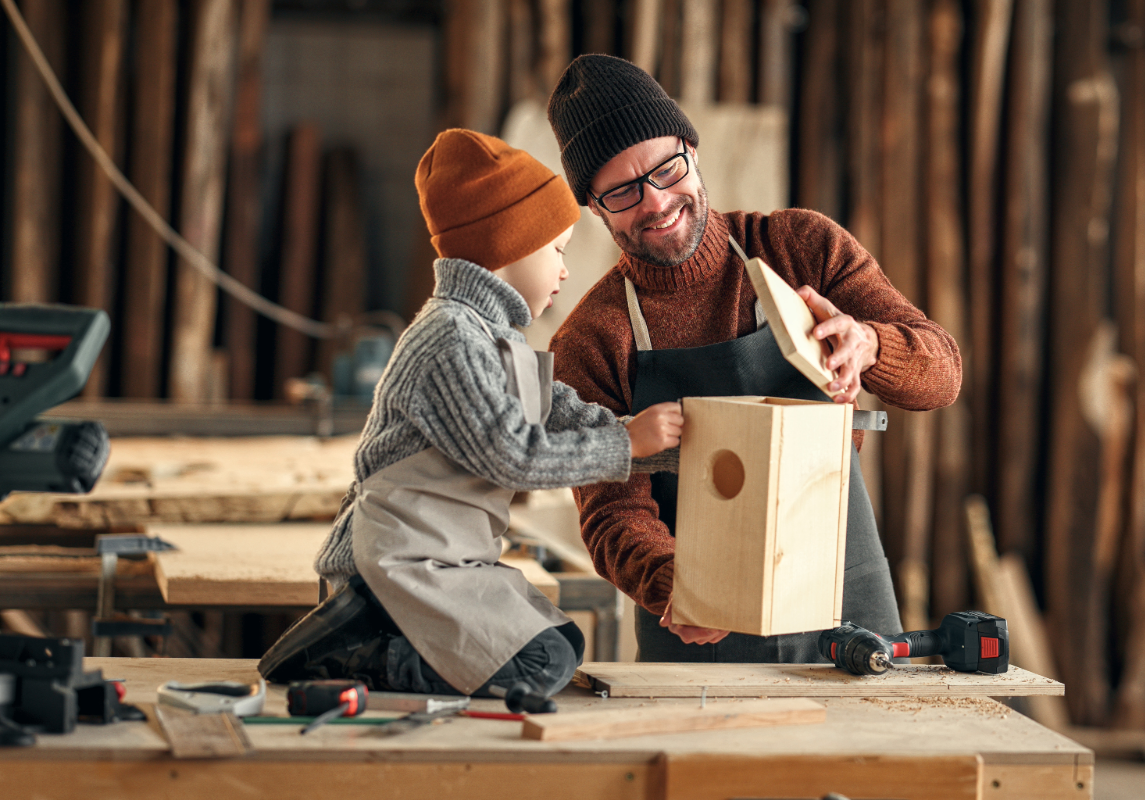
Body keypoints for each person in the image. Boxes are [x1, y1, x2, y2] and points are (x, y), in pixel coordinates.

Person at [546, 54, 962, 662]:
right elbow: (612, 513)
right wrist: (676, 585)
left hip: (846, 612)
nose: (656, 202)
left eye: (667, 169)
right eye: (623, 191)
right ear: (593, 206)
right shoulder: (590, 339)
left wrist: (870, 345)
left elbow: (942, 374)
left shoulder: (803, 248)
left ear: (693, 149)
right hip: (700, 632)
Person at [257, 128, 684, 700]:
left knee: (559, 646)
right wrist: (628, 444)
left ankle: (383, 643)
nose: (563, 271)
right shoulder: (449, 338)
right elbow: (512, 457)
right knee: (538, 665)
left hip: (447, 560)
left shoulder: (496, 340)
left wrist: (673, 447)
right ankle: (352, 644)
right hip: (393, 567)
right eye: (556, 251)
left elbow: (565, 412)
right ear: (509, 246)